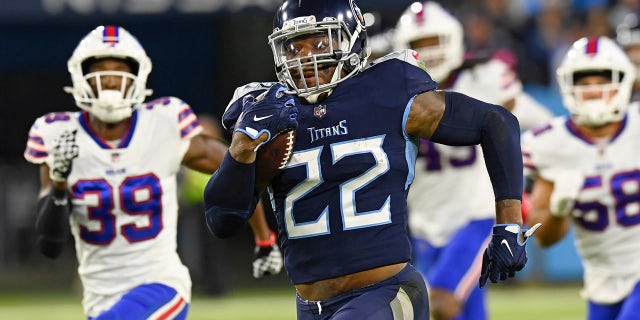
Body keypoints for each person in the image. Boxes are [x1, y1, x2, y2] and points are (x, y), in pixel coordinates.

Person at [204, 0, 536, 319]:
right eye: (294, 48)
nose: (305, 58)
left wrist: (508, 222)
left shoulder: (389, 89)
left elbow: (496, 122)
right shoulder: (269, 111)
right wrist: (239, 153)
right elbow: (223, 220)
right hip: (311, 306)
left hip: (387, 292)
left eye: (319, 44)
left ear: (351, 41)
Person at [23, 25, 281, 319]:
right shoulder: (58, 133)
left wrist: (264, 238)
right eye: (100, 71)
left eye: (119, 71)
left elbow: (238, 168)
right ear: (81, 77)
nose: (109, 80)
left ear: (137, 78)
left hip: (161, 285)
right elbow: (49, 245)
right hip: (99, 298)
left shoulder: (163, 123)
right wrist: (58, 183)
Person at [393, 2, 551, 319]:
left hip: (476, 217)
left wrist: (526, 180)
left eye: (434, 41)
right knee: (467, 311)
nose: (429, 52)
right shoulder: (396, 93)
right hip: (425, 223)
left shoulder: (486, 77)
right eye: (419, 45)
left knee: (438, 302)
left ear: (452, 39)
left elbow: (542, 126)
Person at [524, 36, 640, 320]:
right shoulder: (551, 144)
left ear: (623, 83)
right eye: (584, 84)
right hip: (602, 278)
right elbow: (545, 239)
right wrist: (559, 210)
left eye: (602, 82)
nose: (593, 91)